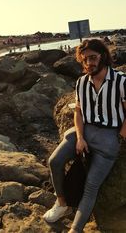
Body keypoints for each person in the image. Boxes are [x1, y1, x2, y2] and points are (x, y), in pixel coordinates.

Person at [43, 39, 126, 233]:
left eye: (93, 58)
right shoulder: (81, 82)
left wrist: (120, 138)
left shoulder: (121, 81)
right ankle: (62, 204)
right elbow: (78, 112)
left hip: (109, 138)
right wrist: (80, 138)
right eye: (85, 59)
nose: (89, 62)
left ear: (103, 56)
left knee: (91, 186)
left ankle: (75, 229)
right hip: (84, 132)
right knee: (54, 161)